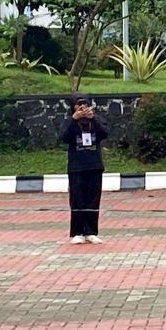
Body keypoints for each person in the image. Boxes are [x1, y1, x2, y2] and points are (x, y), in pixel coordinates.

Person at [59, 94, 109, 244]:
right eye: (78, 104)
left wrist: (92, 118)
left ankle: (91, 231)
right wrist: (74, 119)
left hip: (94, 165)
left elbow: (105, 133)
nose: (82, 107)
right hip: (76, 167)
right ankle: (77, 232)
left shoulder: (96, 120)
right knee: (77, 199)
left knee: (93, 199)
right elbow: (63, 137)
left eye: (85, 104)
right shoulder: (70, 121)